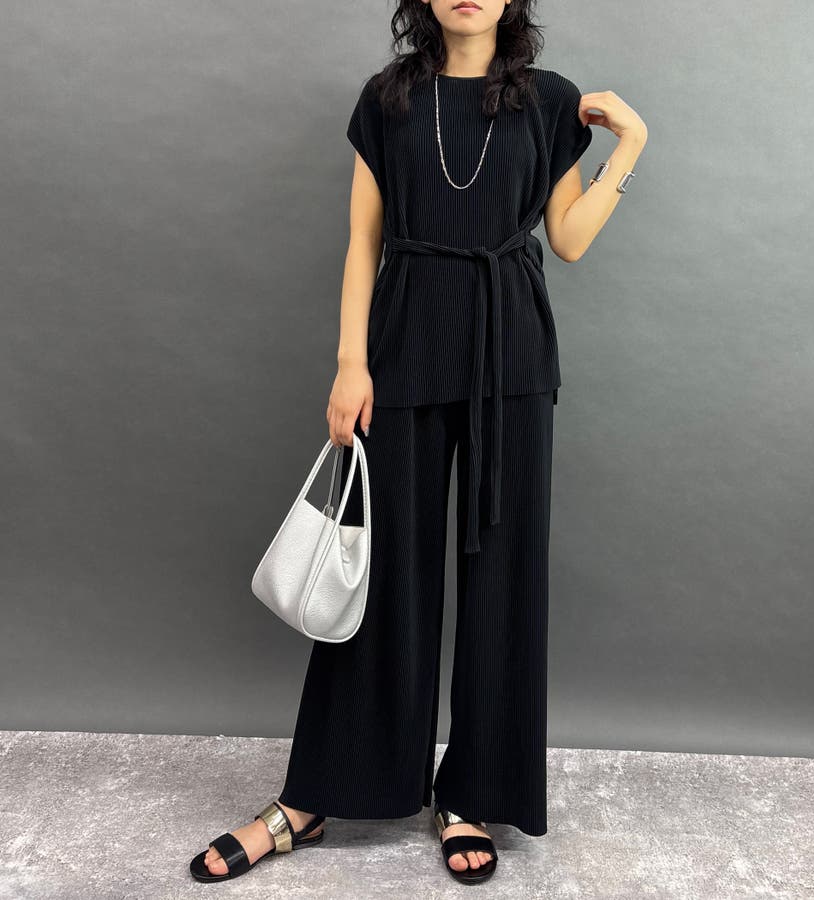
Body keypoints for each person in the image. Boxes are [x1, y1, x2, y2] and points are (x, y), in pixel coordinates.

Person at [189, 0, 647, 886]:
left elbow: (568, 240)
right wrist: (349, 364)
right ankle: (313, 797)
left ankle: (472, 794)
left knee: (505, 580)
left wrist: (628, 147)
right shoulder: (389, 98)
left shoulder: (550, 101)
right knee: (382, 577)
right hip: (402, 350)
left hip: (513, 358)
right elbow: (363, 243)